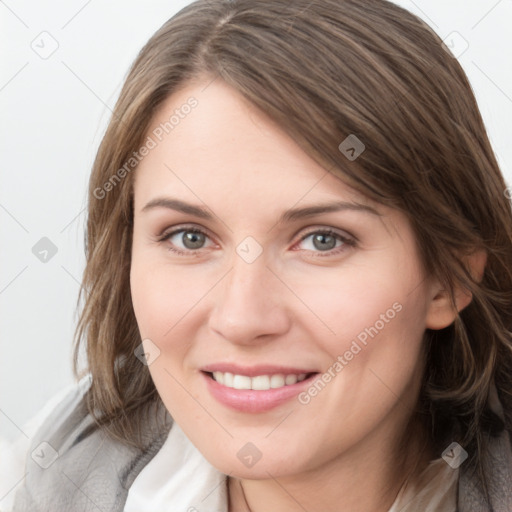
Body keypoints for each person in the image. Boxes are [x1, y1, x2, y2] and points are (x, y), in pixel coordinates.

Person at [6, 0, 512, 510]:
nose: (242, 318)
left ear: (448, 277)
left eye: (322, 240)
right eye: (189, 237)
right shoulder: (47, 472)